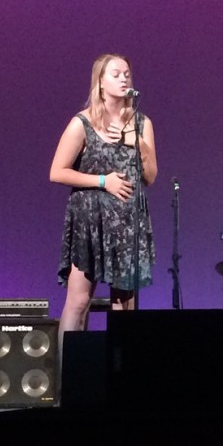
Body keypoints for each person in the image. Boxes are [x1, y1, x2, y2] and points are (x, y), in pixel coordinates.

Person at [50, 54, 157, 347]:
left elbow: (150, 176)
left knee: (124, 306)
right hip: (90, 220)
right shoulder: (83, 122)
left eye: (127, 74)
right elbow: (57, 172)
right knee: (79, 302)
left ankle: (120, 369)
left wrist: (138, 144)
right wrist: (102, 181)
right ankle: (68, 371)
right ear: (100, 82)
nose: (124, 78)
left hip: (127, 223)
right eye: (116, 74)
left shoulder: (141, 123)